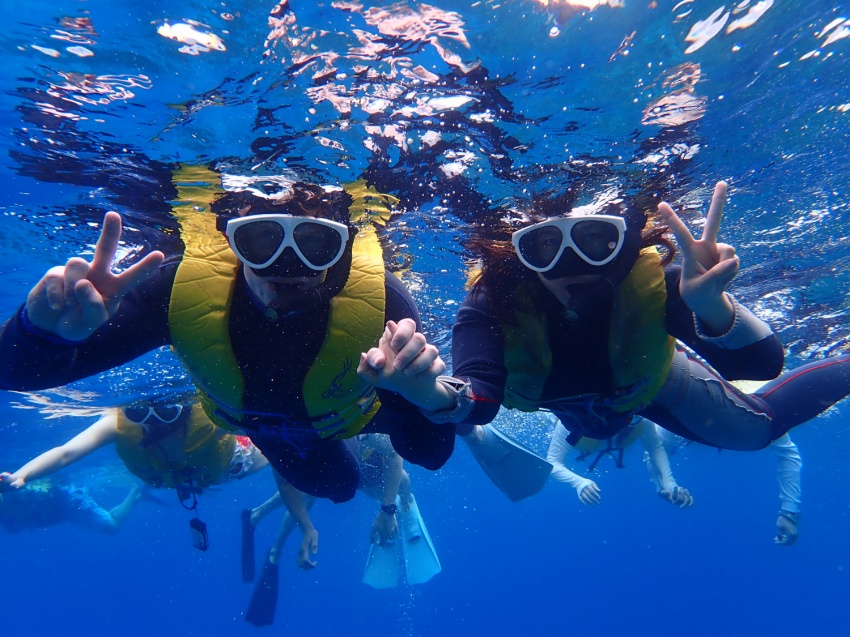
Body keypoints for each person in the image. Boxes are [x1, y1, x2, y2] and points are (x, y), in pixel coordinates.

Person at [0, 176, 454, 518]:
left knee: (403, 438)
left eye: (316, 243)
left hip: (356, 411)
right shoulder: (178, 289)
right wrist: (42, 333)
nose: (288, 264)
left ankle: (407, 439)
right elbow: (13, 375)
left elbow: (432, 454)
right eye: (262, 240)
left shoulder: (385, 303)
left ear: (344, 249)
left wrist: (421, 399)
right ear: (232, 242)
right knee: (339, 487)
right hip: (272, 433)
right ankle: (384, 459)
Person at [359, 181, 850, 459]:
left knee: (757, 433)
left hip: (651, 378)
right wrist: (427, 394)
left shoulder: (665, 285)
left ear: (621, 245)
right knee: (600, 426)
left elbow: (765, 364)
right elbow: (480, 396)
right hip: (583, 401)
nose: (572, 264)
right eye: (545, 247)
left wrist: (710, 308)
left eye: (595, 241)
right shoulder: (494, 302)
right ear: (520, 256)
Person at [240, 433, 439, 626]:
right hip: (344, 462)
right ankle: (270, 540)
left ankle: (404, 506)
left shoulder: (366, 433)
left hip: (362, 465)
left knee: (402, 482)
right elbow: (286, 482)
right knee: (306, 492)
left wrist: (387, 509)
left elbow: (394, 453)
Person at [0, 398, 269, 499]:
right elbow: (66, 452)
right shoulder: (115, 424)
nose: (153, 419)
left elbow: (272, 428)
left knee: (274, 451)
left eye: (166, 410)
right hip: (170, 478)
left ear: (184, 406)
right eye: (140, 411)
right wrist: (23, 476)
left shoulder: (210, 416)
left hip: (229, 464)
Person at [650, 423, 802, 545]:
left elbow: (787, 453)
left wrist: (789, 512)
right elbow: (653, 448)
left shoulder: (753, 414)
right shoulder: (672, 422)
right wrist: (663, 486)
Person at [546, 415, 693, 508]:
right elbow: (553, 462)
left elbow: (655, 448)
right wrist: (578, 482)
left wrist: (670, 483)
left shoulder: (639, 414)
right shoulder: (568, 421)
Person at [0, 478, 140, 535]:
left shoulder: (10, 499)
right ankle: (135, 497)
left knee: (112, 528)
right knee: (110, 523)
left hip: (71, 502)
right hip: (65, 510)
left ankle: (136, 490)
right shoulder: (9, 504)